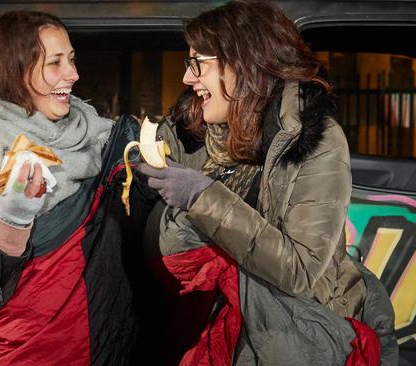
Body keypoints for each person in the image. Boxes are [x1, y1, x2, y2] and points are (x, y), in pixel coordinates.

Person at [137, 1, 398, 364]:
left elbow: (299, 271)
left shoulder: (314, 140)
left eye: (199, 64)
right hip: (206, 323)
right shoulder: (192, 133)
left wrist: (203, 196)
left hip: (292, 327)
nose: (187, 79)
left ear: (243, 65)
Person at [0, 10, 157, 365]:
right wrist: (12, 220)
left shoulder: (96, 135)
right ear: (16, 71)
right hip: (33, 351)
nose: (73, 75)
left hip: (107, 341)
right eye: (55, 63)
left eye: (71, 60)